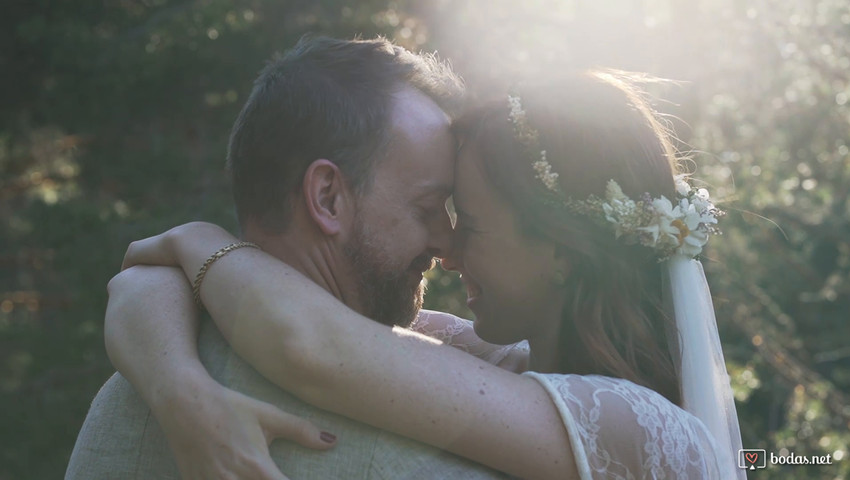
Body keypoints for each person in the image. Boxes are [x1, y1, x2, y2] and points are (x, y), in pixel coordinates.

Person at [105, 71, 746, 479]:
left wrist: (196, 238)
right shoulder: (483, 358)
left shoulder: (641, 431)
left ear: (561, 252)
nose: (447, 249)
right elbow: (144, 284)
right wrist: (177, 385)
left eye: (467, 221)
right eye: (433, 212)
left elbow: (313, 344)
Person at [66, 36, 513, 480]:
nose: (447, 245)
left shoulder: (121, 399)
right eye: (427, 208)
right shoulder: (427, 454)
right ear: (328, 197)